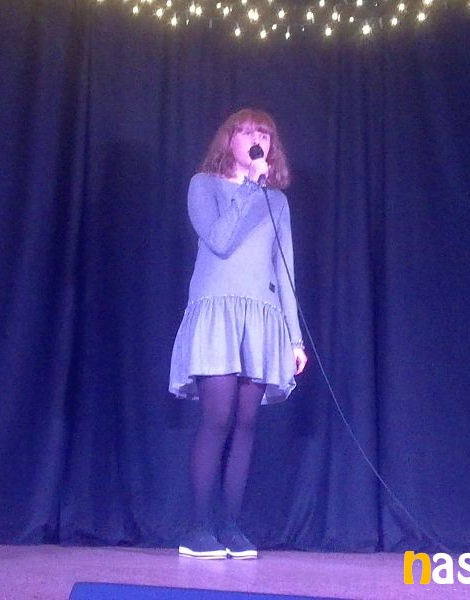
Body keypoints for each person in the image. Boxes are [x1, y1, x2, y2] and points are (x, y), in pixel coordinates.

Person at [169, 108, 308, 559]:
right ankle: (197, 529)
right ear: (228, 140)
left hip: (262, 317)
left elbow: (284, 270)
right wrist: (250, 186)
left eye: (264, 133)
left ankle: (230, 526)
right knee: (217, 418)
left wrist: (294, 338)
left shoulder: (277, 202)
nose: (256, 139)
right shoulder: (203, 186)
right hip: (218, 312)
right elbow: (220, 239)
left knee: (247, 423)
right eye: (246, 131)